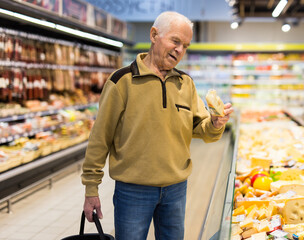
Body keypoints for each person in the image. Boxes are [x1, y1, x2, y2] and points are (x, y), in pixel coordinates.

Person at [81, 11, 234, 240]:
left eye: (185, 45)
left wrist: (215, 123)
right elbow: (100, 138)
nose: (180, 50)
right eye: (175, 41)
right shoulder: (122, 81)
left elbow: (204, 130)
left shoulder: (186, 84)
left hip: (176, 189)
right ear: (154, 35)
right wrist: (91, 188)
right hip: (133, 191)